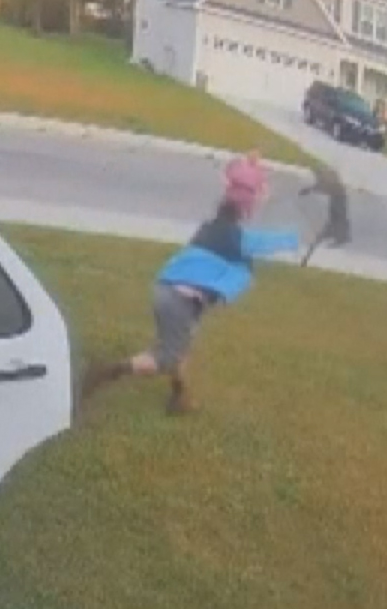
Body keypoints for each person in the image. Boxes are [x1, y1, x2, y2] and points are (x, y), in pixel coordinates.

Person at [80, 153, 300, 416]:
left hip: (168, 291)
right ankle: (106, 372)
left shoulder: (211, 228)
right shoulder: (235, 237)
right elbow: (264, 242)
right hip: (179, 301)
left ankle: (178, 396)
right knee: (165, 357)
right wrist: (296, 238)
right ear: (245, 208)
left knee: (182, 345)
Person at [298, 162, 350, 267]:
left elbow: (322, 187)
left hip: (336, 222)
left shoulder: (335, 188)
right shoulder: (336, 187)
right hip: (335, 220)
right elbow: (321, 186)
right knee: (318, 238)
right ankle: (305, 259)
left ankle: (306, 258)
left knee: (319, 238)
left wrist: (308, 190)